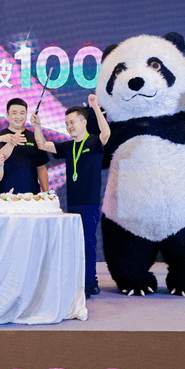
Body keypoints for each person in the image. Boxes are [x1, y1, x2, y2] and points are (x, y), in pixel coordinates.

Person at [31, 94, 111, 298]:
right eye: (67, 123)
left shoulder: (94, 142)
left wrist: (95, 107)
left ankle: (89, 283)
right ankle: (87, 281)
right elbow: (42, 145)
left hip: (90, 202)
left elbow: (106, 133)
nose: (69, 126)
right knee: (76, 244)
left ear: (84, 122)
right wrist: (37, 126)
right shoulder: (68, 146)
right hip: (72, 202)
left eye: (73, 122)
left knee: (88, 243)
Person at [0, 98, 50, 194]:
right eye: (14, 113)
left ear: (26, 114)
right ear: (7, 114)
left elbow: (41, 168)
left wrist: (46, 193)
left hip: (32, 196)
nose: (18, 116)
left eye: (22, 113)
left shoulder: (34, 137)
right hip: (6, 195)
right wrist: (12, 143)